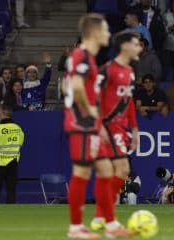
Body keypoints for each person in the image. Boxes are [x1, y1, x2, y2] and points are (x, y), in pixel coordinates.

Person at [62, 13, 110, 240]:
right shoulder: (82, 55)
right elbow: (78, 86)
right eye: (106, 30)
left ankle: (107, 222)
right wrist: (90, 112)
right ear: (95, 33)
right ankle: (76, 227)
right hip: (81, 123)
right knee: (81, 173)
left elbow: (66, 84)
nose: (108, 34)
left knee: (105, 169)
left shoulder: (85, 56)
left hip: (89, 124)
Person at [90, 31, 141, 238]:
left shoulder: (130, 72)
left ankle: (101, 216)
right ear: (125, 47)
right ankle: (108, 222)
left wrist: (135, 129)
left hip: (120, 128)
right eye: (136, 44)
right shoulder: (107, 71)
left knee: (115, 172)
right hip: (106, 125)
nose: (139, 48)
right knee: (121, 169)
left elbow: (127, 103)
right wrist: (99, 125)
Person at [0, 104, 25, 204]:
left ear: (4, 114)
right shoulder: (19, 128)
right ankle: (11, 214)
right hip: (13, 163)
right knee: (11, 190)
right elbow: (20, 144)